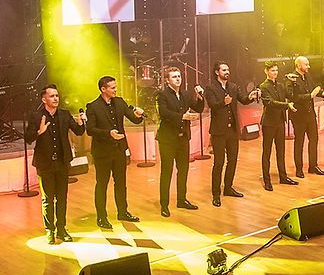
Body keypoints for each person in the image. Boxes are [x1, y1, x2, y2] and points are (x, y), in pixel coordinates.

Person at [24, 84, 85, 244]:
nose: (56, 98)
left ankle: (61, 229)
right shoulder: (36, 116)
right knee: (48, 199)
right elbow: (28, 138)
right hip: (45, 163)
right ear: (44, 99)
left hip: (62, 162)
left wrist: (81, 123)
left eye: (57, 95)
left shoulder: (64, 114)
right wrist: (39, 132)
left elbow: (78, 131)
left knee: (62, 198)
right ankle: (49, 230)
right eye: (52, 96)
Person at [84, 75, 145, 229]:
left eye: (115, 87)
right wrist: (108, 133)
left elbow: (134, 119)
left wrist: (139, 114)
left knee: (121, 183)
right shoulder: (93, 106)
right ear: (103, 89)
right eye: (112, 87)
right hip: (102, 152)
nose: (115, 89)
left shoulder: (119, 102)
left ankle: (123, 212)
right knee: (102, 184)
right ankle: (101, 217)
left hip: (119, 149)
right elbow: (90, 129)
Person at [203, 62, 259, 205]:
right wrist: (224, 102)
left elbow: (243, 100)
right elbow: (212, 105)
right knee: (219, 162)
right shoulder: (210, 88)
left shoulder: (233, 87)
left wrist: (250, 97)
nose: (227, 72)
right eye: (224, 70)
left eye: (228, 69)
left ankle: (228, 187)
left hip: (232, 130)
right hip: (218, 131)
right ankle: (216, 193)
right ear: (217, 72)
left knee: (232, 160)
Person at [155, 66, 205, 217]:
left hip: (183, 138)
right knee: (167, 172)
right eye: (174, 77)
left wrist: (200, 97)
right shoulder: (163, 95)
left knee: (183, 170)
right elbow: (164, 113)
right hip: (167, 139)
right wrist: (182, 116)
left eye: (179, 76)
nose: (178, 79)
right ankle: (164, 205)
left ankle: (181, 200)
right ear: (167, 80)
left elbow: (198, 108)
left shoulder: (186, 94)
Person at [259, 61, 298, 189]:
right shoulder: (263, 86)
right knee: (267, 152)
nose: (275, 73)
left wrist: (293, 83)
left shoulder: (281, 85)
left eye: (276, 70)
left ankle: (283, 177)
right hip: (269, 123)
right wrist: (287, 105)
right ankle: (267, 180)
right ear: (266, 71)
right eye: (272, 70)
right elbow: (270, 103)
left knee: (281, 152)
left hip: (280, 122)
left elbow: (291, 96)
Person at [286, 55, 324, 178]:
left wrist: (323, 93)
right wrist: (310, 96)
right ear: (299, 65)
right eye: (306, 64)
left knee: (314, 140)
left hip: (310, 114)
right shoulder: (291, 78)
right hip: (299, 116)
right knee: (299, 142)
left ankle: (313, 166)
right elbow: (293, 97)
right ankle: (299, 169)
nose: (309, 66)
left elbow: (314, 89)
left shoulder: (307, 76)